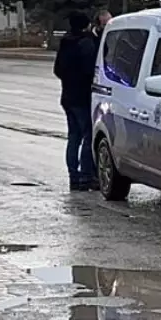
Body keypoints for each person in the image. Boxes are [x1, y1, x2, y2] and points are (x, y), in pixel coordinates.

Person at [53, 12, 99, 190]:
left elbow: (57, 70)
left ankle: (73, 175)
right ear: (86, 25)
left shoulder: (66, 42)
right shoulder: (86, 43)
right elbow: (90, 70)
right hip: (83, 97)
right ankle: (86, 176)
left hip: (67, 96)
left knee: (73, 137)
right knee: (88, 136)